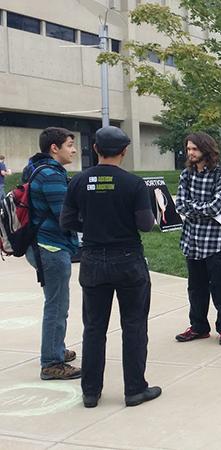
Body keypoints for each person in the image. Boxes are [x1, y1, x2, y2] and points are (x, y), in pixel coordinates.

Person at [61, 126, 161, 408]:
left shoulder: (79, 181)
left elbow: (66, 222)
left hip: (92, 259)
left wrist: (90, 225)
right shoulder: (134, 184)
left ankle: (91, 392)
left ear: (95, 149)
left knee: (93, 327)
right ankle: (134, 390)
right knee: (133, 325)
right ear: (124, 151)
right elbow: (145, 224)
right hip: (127, 259)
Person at [23, 127, 81, 380]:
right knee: (57, 305)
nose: (75, 149)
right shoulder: (51, 175)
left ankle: (55, 348)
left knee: (56, 303)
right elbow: (65, 216)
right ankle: (51, 362)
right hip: (50, 247)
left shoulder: (38, 169)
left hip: (43, 244)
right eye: (70, 144)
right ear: (54, 148)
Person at [174, 132, 221, 345]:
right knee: (195, 288)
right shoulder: (186, 175)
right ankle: (199, 327)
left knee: (220, 287)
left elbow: (217, 206)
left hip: (218, 243)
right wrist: (202, 209)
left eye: (194, 149)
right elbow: (180, 204)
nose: (190, 153)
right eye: (188, 149)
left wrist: (194, 208)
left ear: (206, 150)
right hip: (193, 242)